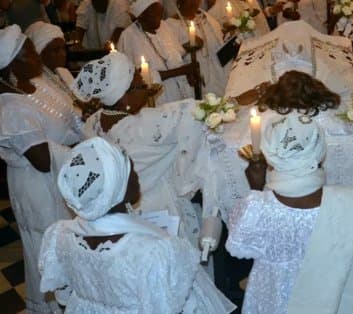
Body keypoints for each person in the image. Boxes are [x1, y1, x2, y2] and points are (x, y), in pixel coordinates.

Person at [39, 136, 236, 313]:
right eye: (130, 170)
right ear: (116, 188)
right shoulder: (154, 251)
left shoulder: (60, 235)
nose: (136, 175)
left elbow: (65, 299)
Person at [227, 113, 353, 314]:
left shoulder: (258, 209)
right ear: (320, 151)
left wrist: (255, 188)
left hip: (275, 302)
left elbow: (237, 246)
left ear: (270, 154)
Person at [73, 51, 206, 247]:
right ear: (123, 98)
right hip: (160, 208)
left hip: (122, 216)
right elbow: (200, 113)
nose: (146, 87)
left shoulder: (93, 123)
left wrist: (142, 96)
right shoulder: (144, 127)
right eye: (140, 85)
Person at [0, 25, 81, 313]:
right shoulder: (10, 109)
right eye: (30, 51)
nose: (36, 55)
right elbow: (43, 159)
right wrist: (79, 150)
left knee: (70, 243)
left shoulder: (37, 84)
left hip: (62, 176)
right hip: (39, 186)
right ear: (12, 63)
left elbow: (69, 119)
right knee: (49, 247)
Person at [118, 0, 197, 105]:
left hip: (182, 95)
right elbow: (141, 77)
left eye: (160, 14)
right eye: (153, 16)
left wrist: (188, 75)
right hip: (157, 100)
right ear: (141, 16)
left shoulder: (164, 27)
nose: (159, 19)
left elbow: (177, 57)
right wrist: (181, 71)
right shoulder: (128, 37)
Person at [25, 21, 84, 130]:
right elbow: (55, 119)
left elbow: (80, 100)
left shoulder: (63, 72)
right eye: (56, 50)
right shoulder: (36, 82)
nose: (63, 54)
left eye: (63, 48)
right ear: (39, 53)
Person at [166, 0, 231, 96]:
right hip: (196, 81)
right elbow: (171, 58)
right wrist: (185, 48)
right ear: (179, 3)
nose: (194, 2)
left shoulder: (206, 18)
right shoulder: (170, 25)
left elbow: (219, 41)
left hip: (219, 74)